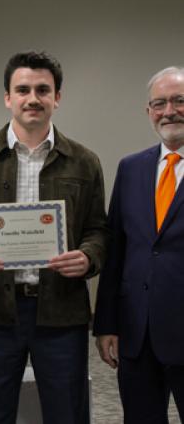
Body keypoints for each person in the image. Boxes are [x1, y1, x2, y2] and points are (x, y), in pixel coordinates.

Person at [0, 51, 108, 424]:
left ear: (57, 97)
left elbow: (99, 230)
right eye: (22, 89)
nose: (32, 98)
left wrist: (87, 257)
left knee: (67, 412)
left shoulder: (84, 162)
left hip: (61, 311)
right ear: (8, 97)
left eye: (43, 89)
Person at [94, 66, 184, 423]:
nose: (169, 111)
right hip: (137, 333)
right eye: (159, 103)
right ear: (148, 112)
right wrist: (106, 324)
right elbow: (116, 251)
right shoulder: (131, 168)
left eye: (179, 101)